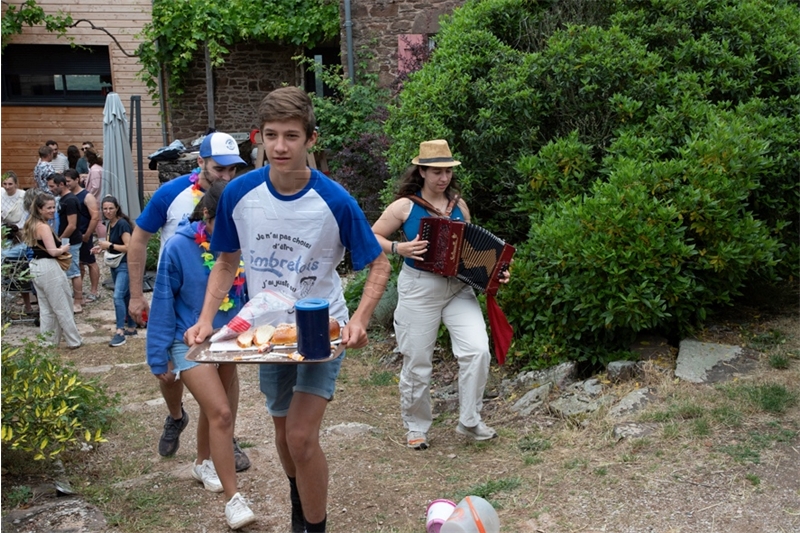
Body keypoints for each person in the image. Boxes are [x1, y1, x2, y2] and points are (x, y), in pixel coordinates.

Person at [184, 86, 391, 533]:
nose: (280, 147)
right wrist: (204, 320)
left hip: (321, 329)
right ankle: (302, 504)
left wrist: (359, 320)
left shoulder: (335, 200)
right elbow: (226, 262)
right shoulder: (239, 193)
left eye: (292, 136)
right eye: (272, 135)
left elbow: (378, 263)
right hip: (267, 334)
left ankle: (313, 527)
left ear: (310, 139)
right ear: (258, 137)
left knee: (300, 434)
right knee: (283, 433)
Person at [371, 139, 508, 450]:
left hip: (458, 289)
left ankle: (469, 420)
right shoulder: (405, 206)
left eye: (447, 171)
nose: (443, 178)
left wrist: (496, 271)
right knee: (418, 360)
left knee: (477, 350)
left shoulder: (459, 206)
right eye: (436, 172)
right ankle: (416, 427)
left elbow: (470, 250)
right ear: (421, 171)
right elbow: (371, 233)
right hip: (419, 288)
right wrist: (398, 248)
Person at [127, 131, 251, 469]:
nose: (226, 176)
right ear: (200, 162)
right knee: (170, 379)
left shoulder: (234, 197)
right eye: (219, 168)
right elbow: (138, 240)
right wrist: (136, 295)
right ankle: (175, 415)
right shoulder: (171, 193)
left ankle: (224, 438)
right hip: (177, 302)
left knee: (223, 391)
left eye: (232, 170)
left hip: (220, 317)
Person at [147, 180, 255, 530]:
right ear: (206, 213)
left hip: (228, 339)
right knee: (221, 412)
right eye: (225, 223)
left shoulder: (240, 246)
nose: (231, 232)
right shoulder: (179, 246)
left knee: (219, 412)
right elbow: (162, 300)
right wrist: (158, 355)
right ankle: (233, 500)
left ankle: (202, 462)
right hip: (187, 339)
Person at [21, 192, 82, 348]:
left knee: (46, 308)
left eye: (54, 207)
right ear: (39, 209)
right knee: (63, 305)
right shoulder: (43, 227)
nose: (52, 210)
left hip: (35, 266)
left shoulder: (31, 224)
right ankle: (74, 340)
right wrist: (64, 248)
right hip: (48, 267)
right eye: (48, 208)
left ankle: (47, 341)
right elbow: (53, 251)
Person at [92, 196, 137, 347]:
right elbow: (112, 243)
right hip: (115, 264)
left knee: (118, 296)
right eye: (105, 209)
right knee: (125, 295)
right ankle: (131, 326)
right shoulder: (110, 224)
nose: (108, 211)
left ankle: (120, 331)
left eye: (111, 208)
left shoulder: (122, 224)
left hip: (124, 264)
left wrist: (109, 246)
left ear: (117, 208)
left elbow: (128, 247)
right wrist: (101, 247)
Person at [64, 169, 101, 302]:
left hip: (84, 233)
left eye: (68, 181)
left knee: (90, 262)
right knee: (78, 263)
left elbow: (95, 216)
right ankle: (78, 290)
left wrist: (87, 234)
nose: (66, 184)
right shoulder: (68, 195)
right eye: (65, 181)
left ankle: (94, 291)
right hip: (74, 236)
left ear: (77, 180)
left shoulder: (87, 196)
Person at [51, 173, 84, 314]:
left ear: (61, 184)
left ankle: (78, 301)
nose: (50, 189)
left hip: (71, 241)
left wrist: (60, 239)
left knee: (74, 271)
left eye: (52, 186)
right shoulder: (62, 199)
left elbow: (72, 225)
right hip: (65, 240)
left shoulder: (70, 200)